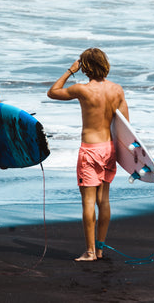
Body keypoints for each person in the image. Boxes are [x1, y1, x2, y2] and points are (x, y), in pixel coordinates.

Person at [46, 47, 129, 262]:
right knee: (104, 201)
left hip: (90, 150)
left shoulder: (82, 90)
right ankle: (99, 249)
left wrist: (69, 71)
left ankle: (90, 252)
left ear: (85, 67)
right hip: (109, 149)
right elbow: (126, 126)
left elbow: (52, 92)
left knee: (88, 203)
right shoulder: (117, 90)